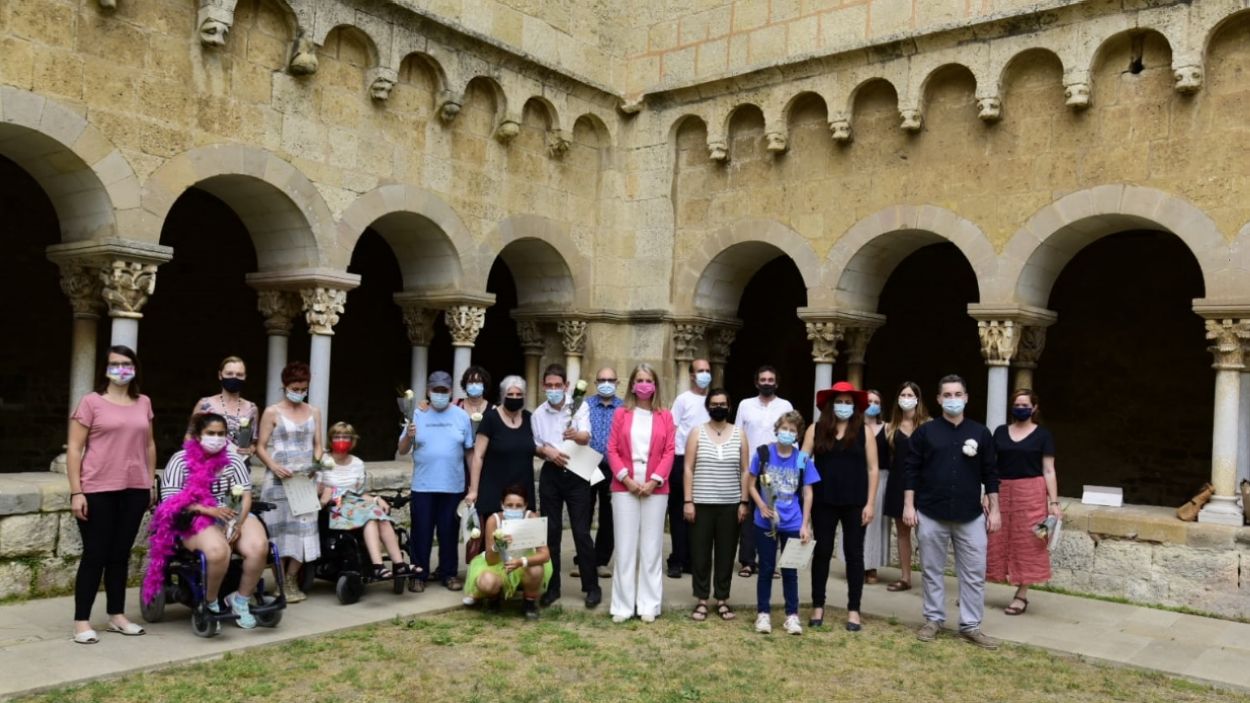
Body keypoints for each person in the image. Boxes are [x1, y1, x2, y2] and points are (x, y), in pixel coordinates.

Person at [904, 374, 1001, 649]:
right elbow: (911, 470)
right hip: (931, 512)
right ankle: (933, 619)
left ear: (966, 398)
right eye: (947, 395)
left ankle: (971, 625)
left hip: (970, 514)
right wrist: (909, 505)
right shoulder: (926, 433)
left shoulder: (981, 433)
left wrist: (995, 510)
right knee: (931, 570)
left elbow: (991, 474)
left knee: (973, 572)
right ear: (938, 399)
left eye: (958, 394)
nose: (953, 399)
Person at [66, 345, 156, 643]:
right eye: (114, 364)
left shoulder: (144, 402)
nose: (121, 369)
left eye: (127, 364)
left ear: (135, 368)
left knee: (120, 554)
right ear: (104, 369)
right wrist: (76, 492)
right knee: (95, 554)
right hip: (97, 489)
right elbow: (75, 449)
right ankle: (82, 621)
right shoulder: (91, 402)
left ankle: (117, 615)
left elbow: (149, 445)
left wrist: (149, 483)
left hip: (134, 489)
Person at [146, 413, 267, 630]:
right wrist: (208, 510)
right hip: (194, 516)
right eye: (211, 433)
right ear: (197, 436)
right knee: (218, 551)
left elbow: (246, 495)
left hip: (233, 513)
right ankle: (210, 602)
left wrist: (237, 523)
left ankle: (241, 600)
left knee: (259, 546)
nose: (216, 438)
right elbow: (171, 500)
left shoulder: (234, 460)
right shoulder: (180, 460)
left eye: (221, 434)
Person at [803, 382, 878, 632]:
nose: (843, 406)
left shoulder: (864, 432)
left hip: (855, 502)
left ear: (855, 407)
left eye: (848, 403)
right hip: (823, 500)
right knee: (822, 552)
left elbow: (873, 469)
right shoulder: (816, 429)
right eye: (839, 402)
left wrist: (870, 503)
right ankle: (818, 605)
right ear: (830, 405)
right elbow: (802, 460)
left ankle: (854, 609)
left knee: (854, 554)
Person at [606, 363, 676, 623]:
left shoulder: (665, 416)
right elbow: (612, 449)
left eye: (648, 380)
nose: (644, 384)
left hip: (655, 490)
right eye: (640, 380)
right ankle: (622, 606)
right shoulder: (621, 414)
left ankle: (649, 604)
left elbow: (669, 451)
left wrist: (654, 480)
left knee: (651, 547)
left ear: (655, 385)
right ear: (632, 385)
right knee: (625, 548)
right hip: (624, 488)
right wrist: (627, 479)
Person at [531, 363, 600, 608]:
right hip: (551, 473)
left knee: (581, 532)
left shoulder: (578, 406)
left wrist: (575, 435)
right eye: (549, 386)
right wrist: (546, 452)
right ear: (543, 386)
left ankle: (591, 587)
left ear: (566, 386)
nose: (553, 389)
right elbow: (536, 445)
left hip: (577, 471)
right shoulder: (538, 414)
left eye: (557, 385)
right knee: (551, 532)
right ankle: (552, 587)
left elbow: (586, 436)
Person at [398, 370, 474, 592]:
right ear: (428, 391)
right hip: (423, 485)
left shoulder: (461, 416)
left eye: (444, 390)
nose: (440, 394)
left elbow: (469, 452)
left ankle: (448, 574)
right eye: (436, 390)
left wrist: (473, 485)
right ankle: (418, 574)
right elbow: (402, 449)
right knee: (421, 532)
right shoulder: (417, 414)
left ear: (450, 391)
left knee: (449, 532)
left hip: (453, 485)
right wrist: (408, 435)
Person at [254, 361, 322, 603]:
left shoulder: (314, 411)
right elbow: (260, 447)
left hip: (304, 480)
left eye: (303, 388)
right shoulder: (272, 412)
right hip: (278, 480)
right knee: (278, 530)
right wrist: (273, 466)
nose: (299, 392)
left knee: (304, 530)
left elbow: (318, 445)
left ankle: (292, 578)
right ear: (284, 386)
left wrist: (316, 464)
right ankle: (280, 581)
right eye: (295, 388)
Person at [987, 389, 1059, 616]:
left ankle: (1022, 594)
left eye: (1025, 405)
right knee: (993, 538)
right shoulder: (1000, 432)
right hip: (1001, 490)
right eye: (1017, 405)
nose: (1020, 408)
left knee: (1030, 541)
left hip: (1031, 493)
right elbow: (991, 465)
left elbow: (1049, 470)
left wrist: (1054, 502)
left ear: (1034, 408)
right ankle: (976, 590)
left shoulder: (1043, 435)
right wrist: (987, 493)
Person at [746, 411, 818, 635]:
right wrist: (761, 505)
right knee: (766, 568)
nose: (787, 433)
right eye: (784, 428)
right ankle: (763, 614)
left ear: (798, 435)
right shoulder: (763, 453)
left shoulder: (801, 459)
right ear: (777, 430)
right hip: (765, 522)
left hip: (792, 522)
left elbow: (808, 493)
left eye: (792, 430)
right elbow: (750, 484)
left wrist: (805, 524)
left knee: (790, 571)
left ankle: (792, 615)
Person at [318, 422, 416, 579]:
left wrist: (377, 499)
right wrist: (325, 492)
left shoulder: (356, 463)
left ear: (352, 440)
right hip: (334, 507)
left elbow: (359, 493)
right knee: (371, 517)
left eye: (345, 437)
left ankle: (398, 564)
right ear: (331, 439)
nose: (341, 440)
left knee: (380, 518)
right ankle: (378, 565)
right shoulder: (324, 460)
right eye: (337, 437)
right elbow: (317, 489)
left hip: (355, 504)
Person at [682, 389, 748, 622]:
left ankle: (722, 599)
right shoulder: (696, 432)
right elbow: (688, 467)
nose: (718, 407)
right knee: (700, 554)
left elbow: (745, 470)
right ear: (708, 407)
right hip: (701, 503)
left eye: (722, 404)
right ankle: (702, 599)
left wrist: (744, 501)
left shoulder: (739, 434)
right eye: (714, 404)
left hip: (730, 504)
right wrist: (688, 501)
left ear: (729, 407)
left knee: (726, 554)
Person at [734, 366, 794, 577]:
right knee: (748, 513)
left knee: (772, 513)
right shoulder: (745, 405)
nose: (767, 383)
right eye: (763, 379)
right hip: (750, 466)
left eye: (770, 380)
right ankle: (747, 561)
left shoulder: (785, 405)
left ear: (776, 383)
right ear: (756, 382)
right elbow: (738, 434)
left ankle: (768, 562)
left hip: (775, 467)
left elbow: (791, 432)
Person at [465, 484, 553, 620]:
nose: (514, 509)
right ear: (502, 505)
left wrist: (522, 561)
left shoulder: (532, 517)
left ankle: (529, 602)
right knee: (487, 582)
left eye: (518, 506)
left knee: (537, 569)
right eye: (509, 505)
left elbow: (545, 555)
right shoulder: (493, 520)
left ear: (525, 505)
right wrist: (497, 546)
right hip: (498, 563)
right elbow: (490, 560)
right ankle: (493, 600)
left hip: (523, 561)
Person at [574, 367, 622, 580]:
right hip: (586, 463)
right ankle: (583, 560)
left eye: (610, 380)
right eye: (602, 379)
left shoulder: (623, 408)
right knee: (583, 514)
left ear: (617, 383)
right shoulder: (585, 405)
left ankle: (601, 561)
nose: (606, 383)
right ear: (595, 382)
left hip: (612, 467)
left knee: (608, 516)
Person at [883, 381, 930, 592]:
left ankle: (930, 579)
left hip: (924, 484)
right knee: (903, 533)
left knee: (926, 534)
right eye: (903, 395)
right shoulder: (891, 427)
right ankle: (905, 577)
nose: (906, 398)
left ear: (918, 399)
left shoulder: (928, 425)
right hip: (897, 483)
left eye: (910, 395)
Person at [467, 376, 536, 519]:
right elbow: (478, 456)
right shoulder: (490, 418)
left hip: (522, 493)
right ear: (503, 395)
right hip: (493, 491)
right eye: (510, 394)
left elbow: (537, 447)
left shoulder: (530, 419)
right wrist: (474, 490)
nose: (514, 398)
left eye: (519, 394)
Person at [667, 359, 711, 578]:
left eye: (707, 370)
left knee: (700, 513)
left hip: (706, 460)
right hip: (681, 458)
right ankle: (677, 558)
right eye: (700, 371)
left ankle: (694, 560)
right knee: (679, 511)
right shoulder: (683, 399)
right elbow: (672, 428)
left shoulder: (714, 401)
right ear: (692, 375)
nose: (704, 374)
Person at [190, 356, 259, 457]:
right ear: (220, 375)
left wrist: (250, 450)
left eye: (239, 374)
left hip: (239, 463)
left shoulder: (251, 408)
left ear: (245, 377)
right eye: (229, 373)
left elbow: (254, 442)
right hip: (208, 462)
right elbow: (190, 436)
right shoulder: (205, 404)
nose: (234, 377)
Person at [860, 389, 890, 584]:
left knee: (875, 523)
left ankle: (871, 566)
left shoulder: (887, 428)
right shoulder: (854, 427)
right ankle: (855, 564)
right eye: (869, 401)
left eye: (876, 402)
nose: (872, 405)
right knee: (855, 520)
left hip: (881, 478)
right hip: (857, 477)